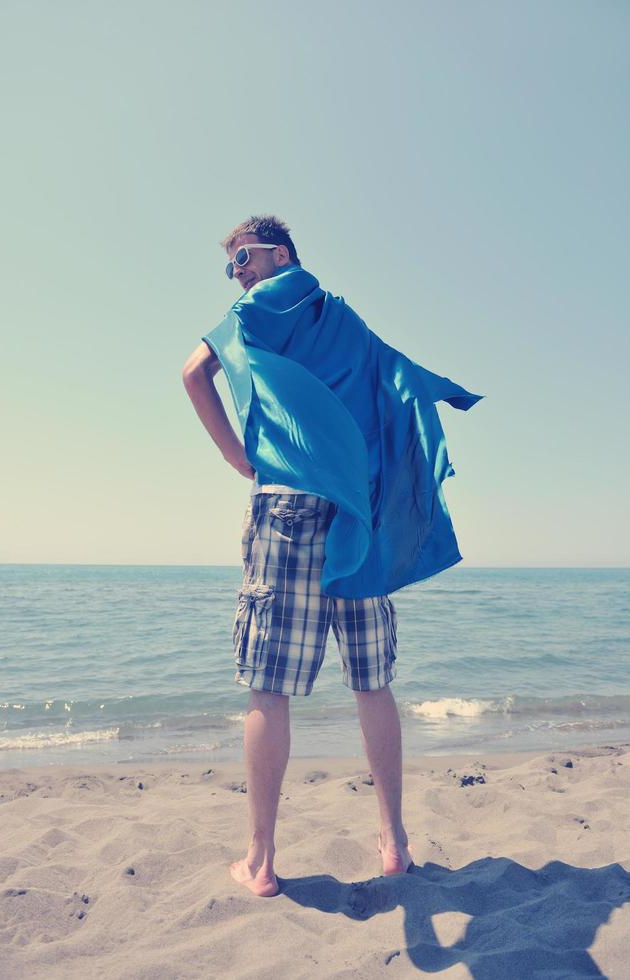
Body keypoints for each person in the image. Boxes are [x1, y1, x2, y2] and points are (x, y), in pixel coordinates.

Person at [182, 215, 481, 898]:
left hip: (287, 505)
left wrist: (236, 455)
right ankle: (395, 844)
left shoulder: (259, 306)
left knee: (269, 685)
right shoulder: (346, 322)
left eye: (244, 259)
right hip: (357, 515)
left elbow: (194, 372)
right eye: (231, 266)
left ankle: (259, 862)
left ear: (280, 254)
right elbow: (396, 385)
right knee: (371, 681)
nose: (238, 274)